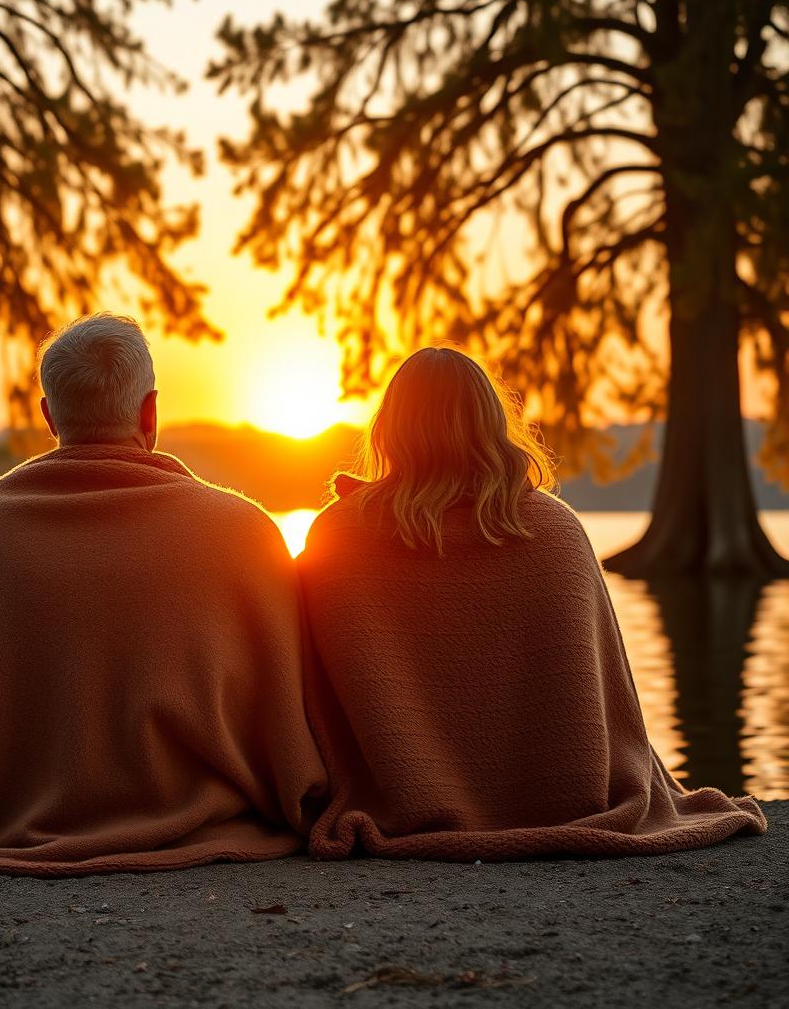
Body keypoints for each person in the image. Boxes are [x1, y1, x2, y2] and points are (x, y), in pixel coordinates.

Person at [0, 313, 326, 875]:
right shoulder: (246, 534)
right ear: (150, 412)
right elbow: (289, 709)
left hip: (6, 823)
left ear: (49, 416)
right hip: (208, 822)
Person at [298, 346, 766, 860]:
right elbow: (611, 705)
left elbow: (310, 697)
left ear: (389, 428)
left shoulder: (336, 536)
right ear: (493, 422)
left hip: (402, 806)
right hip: (567, 799)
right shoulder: (555, 528)